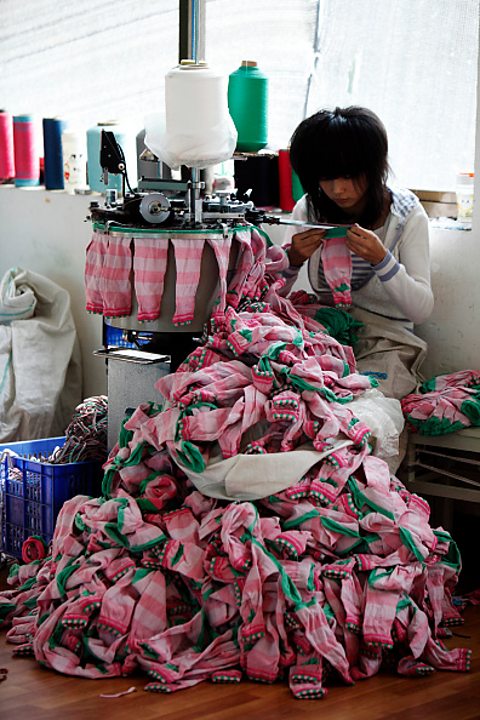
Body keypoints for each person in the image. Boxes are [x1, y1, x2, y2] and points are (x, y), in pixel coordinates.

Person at [282, 106, 434, 401]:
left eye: (351, 175)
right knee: (289, 389)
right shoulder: (309, 209)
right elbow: (268, 295)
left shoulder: (405, 217)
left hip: (389, 342)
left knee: (363, 402)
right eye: (326, 177)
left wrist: (382, 261)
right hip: (325, 333)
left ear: (374, 167)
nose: (338, 189)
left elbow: (421, 309)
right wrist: (292, 261)